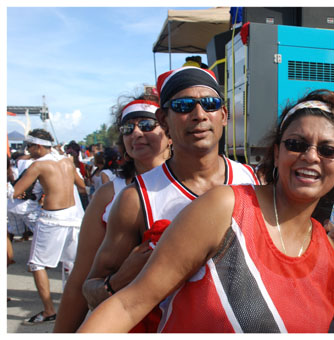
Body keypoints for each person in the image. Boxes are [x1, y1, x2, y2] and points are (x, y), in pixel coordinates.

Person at [78, 89, 334, 333]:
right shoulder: (225, 208)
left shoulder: (327, 252)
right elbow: (128, 306)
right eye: (296, 144)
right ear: (276, 153)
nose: (311, 156)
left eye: (328, 151)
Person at [81, 66, 264, 332]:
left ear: (223, 115)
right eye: (183, 106)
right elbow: (91, 288)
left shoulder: (253, 181)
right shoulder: (136, 199)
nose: (199, 115)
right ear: (164, 120)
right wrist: (121, 278)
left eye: (210, 104)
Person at [53, 96, 172, 333]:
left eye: (147, 125)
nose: (136, 133)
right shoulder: (110, 194)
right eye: (128, 128)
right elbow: (80, 278)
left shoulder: (199, 185)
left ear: (170, 133)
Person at [8, 129, 86, 325]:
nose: (28, 151)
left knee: (36, 264)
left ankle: (49, 310)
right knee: (71, 263)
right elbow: (82, 185)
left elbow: (16, 192)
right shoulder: (68, 161)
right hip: (73, 217)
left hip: (52, 218)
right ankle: (74, 309)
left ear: (39, 146)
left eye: (30, 147)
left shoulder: (38, 165)